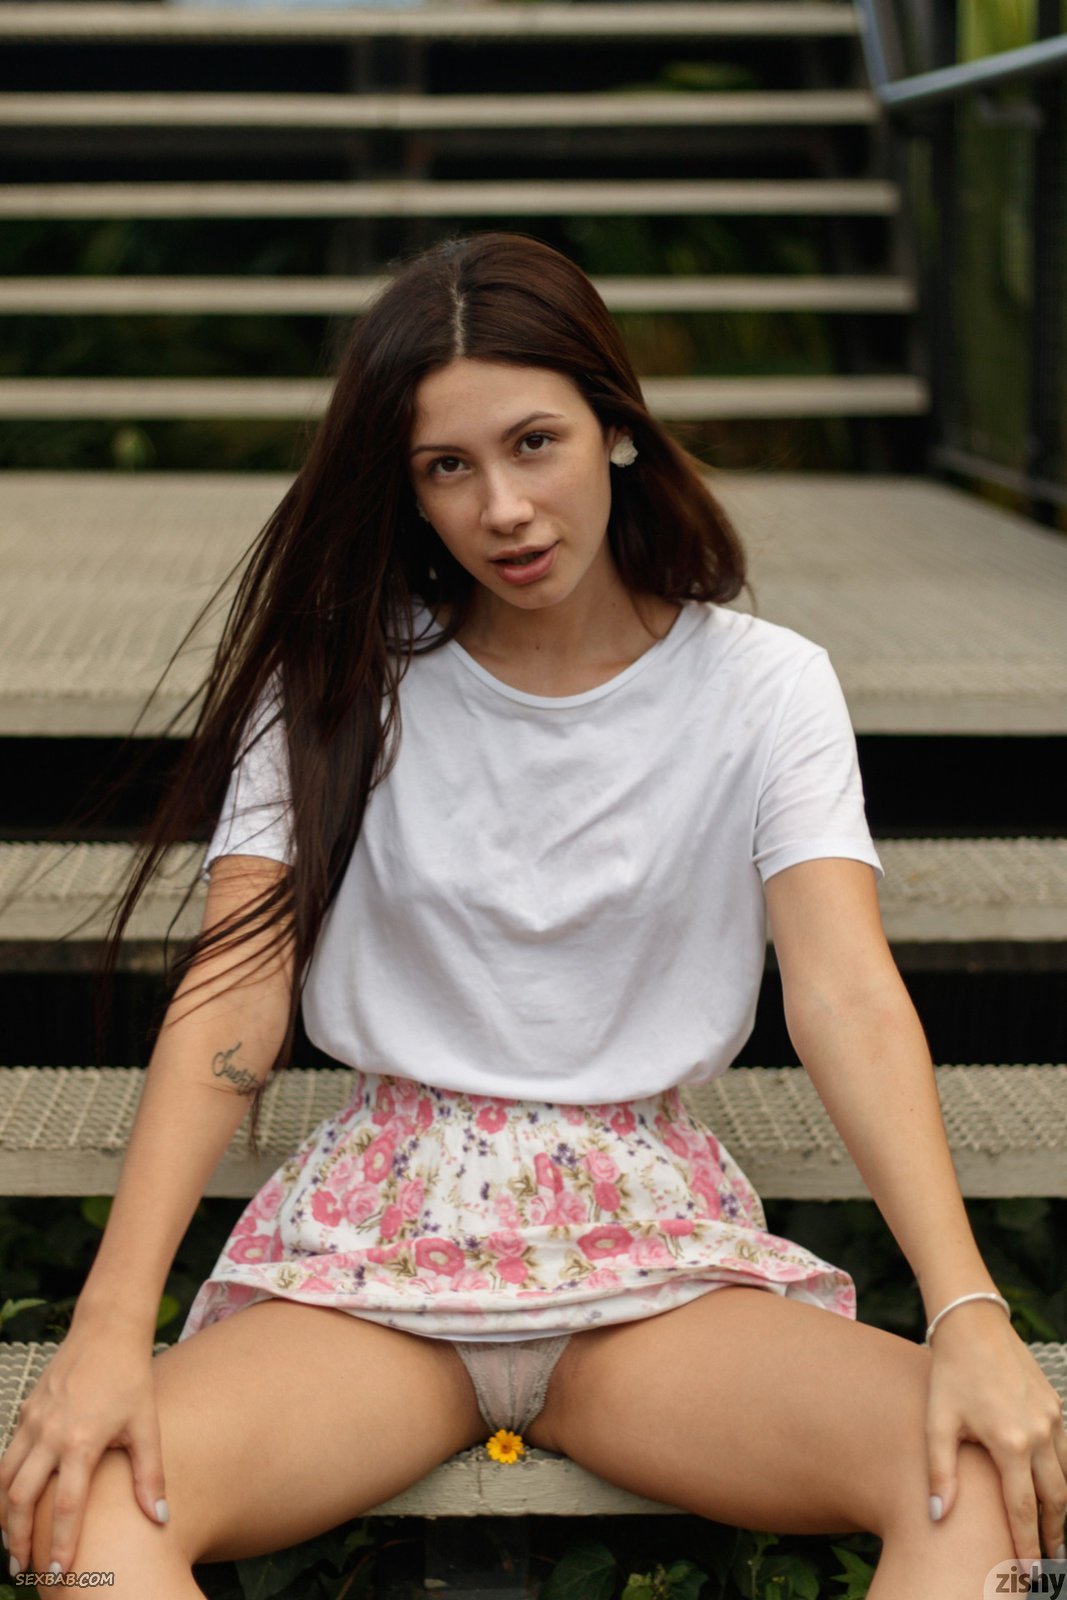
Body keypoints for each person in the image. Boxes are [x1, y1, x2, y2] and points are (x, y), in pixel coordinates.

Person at [1, 231, 1064, 1598]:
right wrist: (106, 1326)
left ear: (615, 427)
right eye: (447, 467)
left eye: (535, 443)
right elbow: (234, 993)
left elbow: (845, 994)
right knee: (84, 1515)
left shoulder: (766, 688)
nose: (502, 507)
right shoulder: (334, 684)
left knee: (983, 1483)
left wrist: (968, 1306)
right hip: (383, 1258)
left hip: (652, 1262)